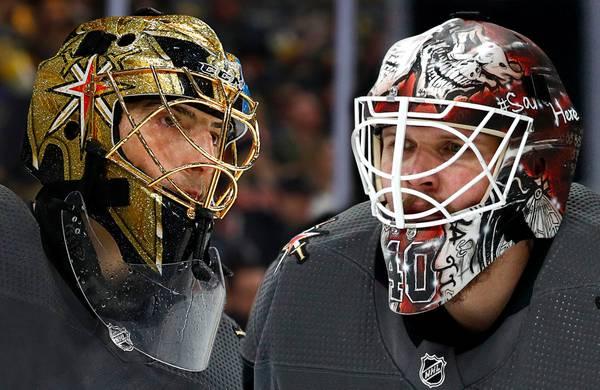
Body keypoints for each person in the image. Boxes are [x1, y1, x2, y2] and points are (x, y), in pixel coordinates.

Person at [242, 15, 600, 389]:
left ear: (534, 165)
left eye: (452, 147)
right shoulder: (306, 283)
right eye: (401, 146)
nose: (413, 176)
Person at [0, 9, 260, 389]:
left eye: (218, 135)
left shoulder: (224, 353)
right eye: (172, 121)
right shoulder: (7, 249)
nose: (207, 159)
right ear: (84, 126)